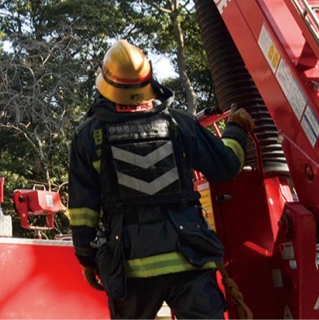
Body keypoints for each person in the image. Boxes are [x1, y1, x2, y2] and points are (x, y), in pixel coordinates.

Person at [67, 39, 255, 319]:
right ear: (149, 81)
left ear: (106, 85)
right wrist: (236, 130)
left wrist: (86, 259)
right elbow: (227, 166)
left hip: (130, 266)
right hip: (189, 256)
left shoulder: (88, 136)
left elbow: (83, 212)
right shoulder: (179, 123)